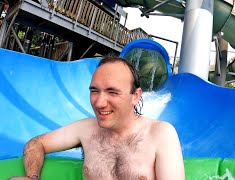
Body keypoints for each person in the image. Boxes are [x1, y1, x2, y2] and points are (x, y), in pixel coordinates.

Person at [10, 57, 185, 180]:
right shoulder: (85, 130)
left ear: (135, 96)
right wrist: (32, 177)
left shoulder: (160, 134)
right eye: (94, 91)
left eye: (112, 92)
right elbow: (36, 143)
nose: (99, 103)